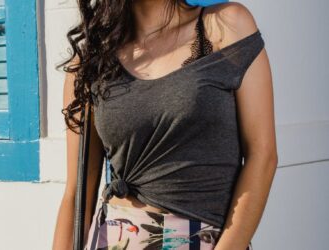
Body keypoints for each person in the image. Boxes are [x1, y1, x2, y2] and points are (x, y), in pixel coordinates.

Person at [53, 1, 278, 249]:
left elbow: (262, 155)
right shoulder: (90, 60)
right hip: (114, 238)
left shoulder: (226, 26)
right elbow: (76, 194)